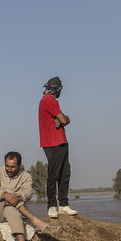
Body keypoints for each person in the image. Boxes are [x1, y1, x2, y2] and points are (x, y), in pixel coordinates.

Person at [0, 151, 59, 241]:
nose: (9, 170)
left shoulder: (26, 176)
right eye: (7, 166)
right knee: (11, 200)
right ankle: (36, 221)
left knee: (11, 208)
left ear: (19, 166)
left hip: (13, 208)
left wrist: (18, 197)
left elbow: (28, 193)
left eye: (12, 167)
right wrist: (6, 195)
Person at [39, 76, 78, 218]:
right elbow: (64, 120)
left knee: (64, 173)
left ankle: (63, 204)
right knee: (54, 174)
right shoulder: (49, 100)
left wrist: (63, 119)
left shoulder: (50, 101)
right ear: (58, 89)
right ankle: (51, 205)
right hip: (53, 142)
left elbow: (62, 119)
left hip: (60, 142)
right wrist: (64, 119)